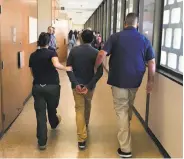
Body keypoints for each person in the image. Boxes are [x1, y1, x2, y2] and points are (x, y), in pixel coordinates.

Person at [94, 13, 156, 158]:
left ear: (124, 23)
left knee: (121, 110)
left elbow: (102, 54)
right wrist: (150, 81)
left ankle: (125, 149)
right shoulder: (144, 39)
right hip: (135, 81)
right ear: (137, 24)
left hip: (118, 80)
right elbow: (151, 62)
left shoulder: (115, 37)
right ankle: (125, 131)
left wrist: (96, 67)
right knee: (128, 106)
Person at [29, 32, 72, 150]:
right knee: (52, 108)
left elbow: (32, 72)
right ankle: (54, 122)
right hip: (52, 86)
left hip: (38, 86)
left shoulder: (32, 55)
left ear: (38, 42)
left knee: (40, 115)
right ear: (49, 42)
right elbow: (56, 64)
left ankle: (42, 142)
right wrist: (67, 68)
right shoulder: (51, 52)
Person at [67, 30, 103, 150]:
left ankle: (81, 139)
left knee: (79, 109)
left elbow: (69, 69)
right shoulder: (96, 52)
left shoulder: (74, 51)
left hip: (76, 86)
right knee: (87, 105)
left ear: (81, 38)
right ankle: (85, 124)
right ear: (93, 39)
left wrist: (75, 83)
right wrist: (88, 85)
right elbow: (100, 72)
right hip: (90, 86)